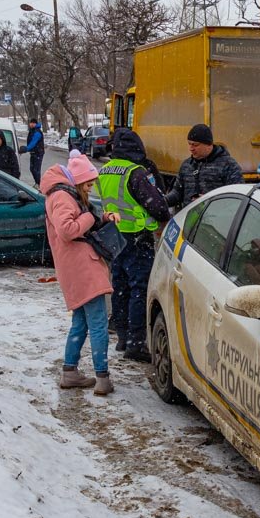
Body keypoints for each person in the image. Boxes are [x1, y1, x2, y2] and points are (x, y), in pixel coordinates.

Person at [41, 154, 122, 395]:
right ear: (77, 182)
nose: (91, 188)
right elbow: (68, 230)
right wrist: (89, 216)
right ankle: (102, 378)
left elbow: (78, 223)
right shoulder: (63, 197)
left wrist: (101, 217)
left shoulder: (62, 195)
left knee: (81, 322)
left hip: (75, 267)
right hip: (82, 267)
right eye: (88, 184)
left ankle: (70, 372)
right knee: (97, 323)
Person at [97, 129, 170, 362]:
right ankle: (136, 344)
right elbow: (157, 206)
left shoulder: (105, 170)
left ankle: (122, 336)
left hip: (115, 236)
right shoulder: (135, 173)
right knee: (139, 287)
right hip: (137, 237)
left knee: (120, 286)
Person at [165, 123, 244, 210]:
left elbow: (237, 197)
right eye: (189, 144)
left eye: (195, 145)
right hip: (190, 221)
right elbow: (177, 193)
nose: (191, 148)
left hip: (218, 221)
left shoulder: (229, 165)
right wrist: (162, 201)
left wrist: (209, 202)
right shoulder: (187, 165)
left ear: (208, 145)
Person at [23, 117, 46, 186]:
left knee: (36, 169)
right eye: (31, 123)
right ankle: (37, 183)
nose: (32, 124)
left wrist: (26, 148)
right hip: (33, 152)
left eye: (33, 123)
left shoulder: (37, 132)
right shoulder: (32, 130)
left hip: (38, 153)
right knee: (32, 169)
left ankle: (39, 184)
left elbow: (34, 142)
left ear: (36, 124)